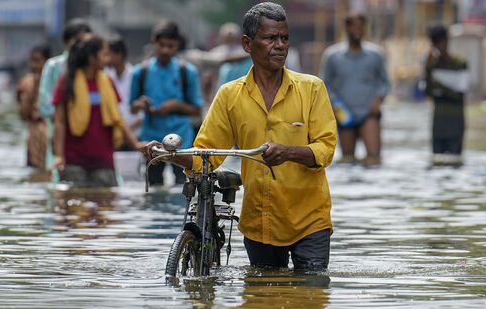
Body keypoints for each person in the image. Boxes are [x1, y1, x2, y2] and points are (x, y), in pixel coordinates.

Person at [146, 2, 337, 271]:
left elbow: (326, 149)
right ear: (248, 44)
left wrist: (287, 152)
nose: (280, 45)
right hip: (260, 223)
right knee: (262, 295)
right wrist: (170, 156)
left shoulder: (312, 88)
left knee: (312, 292)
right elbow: (207, 156)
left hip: (310, 221)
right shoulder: (229, 95)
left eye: (284, 38)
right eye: (271, 38)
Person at [51, 35, 147, 187]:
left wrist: (136, 145)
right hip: (74, 160)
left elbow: (118, 118)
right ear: (92, 58)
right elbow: (59, 122)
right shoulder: (66, 82)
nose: (108, 59)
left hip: (103, 160)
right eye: (104, 54)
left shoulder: (106, 82)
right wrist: (59, 156)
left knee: (105, 206)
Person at [129, 21, 203, 186]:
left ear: (177, 45)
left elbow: (197, 110)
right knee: (153, 188)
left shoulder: (187, 72)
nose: (165, 50)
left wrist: (176, 105)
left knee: (184, 188)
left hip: (181, 139)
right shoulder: (140, 72)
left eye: (170, 46)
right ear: (154, 43)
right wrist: (140, 104)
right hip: (151, 141)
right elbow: (132, 108)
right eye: (161, 45)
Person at [321, 13, 390, 165]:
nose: (357, 30)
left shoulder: (376, 55)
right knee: (347, 160)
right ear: (346, 28)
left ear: (365, 29)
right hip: (344, 113)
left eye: (360, 26)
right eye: (353, 26)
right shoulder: (332, 56)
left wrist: (379, 99)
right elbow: (324, 85)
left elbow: (385, 83)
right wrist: (333, 104)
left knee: (374, 159)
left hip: (369, 112)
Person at [38, 18, 92, 174]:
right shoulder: (54, 66)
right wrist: (65, 117)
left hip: (87, 130)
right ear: (67, 41)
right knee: (61, 174)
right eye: (78, 41)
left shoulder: (93, 67)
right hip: (60, 129)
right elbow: (45, 103)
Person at [424, 25, 468, 165]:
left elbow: (459, 94)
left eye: (441, 42)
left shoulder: (459, 63)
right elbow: (427, 92)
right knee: (436, 163)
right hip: (438, 125)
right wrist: (427, 68)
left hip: (455, 124)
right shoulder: (432, 65)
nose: (439, 46)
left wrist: (440, 85)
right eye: (436, 43)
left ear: (447, 41)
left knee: (455, 163)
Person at [16, 44, 51, 170]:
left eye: (37, 61)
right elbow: (23, 115)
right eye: (32, 61)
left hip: (52, 131)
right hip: (34, 134)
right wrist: (30, 93)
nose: (34, 65)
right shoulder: (26, 83)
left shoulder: (55, 80)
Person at [105, 37, 143, 145]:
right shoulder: (106, 77)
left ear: (119, 54)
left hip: (135, 135)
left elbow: (142, 114)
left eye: (109, 54)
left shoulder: (136, 75)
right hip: (114, 137)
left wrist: (126, 131)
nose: (106, 59)